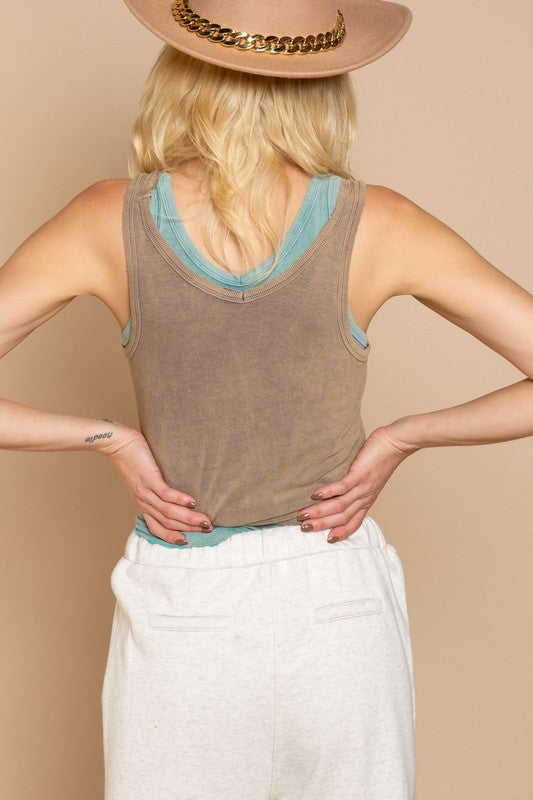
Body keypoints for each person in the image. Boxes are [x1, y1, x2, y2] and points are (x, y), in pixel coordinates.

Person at [1, 1, 532, 798]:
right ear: (325, 86)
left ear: (179, 75)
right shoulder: (379, 222)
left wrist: (108, 437)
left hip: (185, 600)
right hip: (336, 600)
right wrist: (403, 436)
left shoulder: (105, 219)